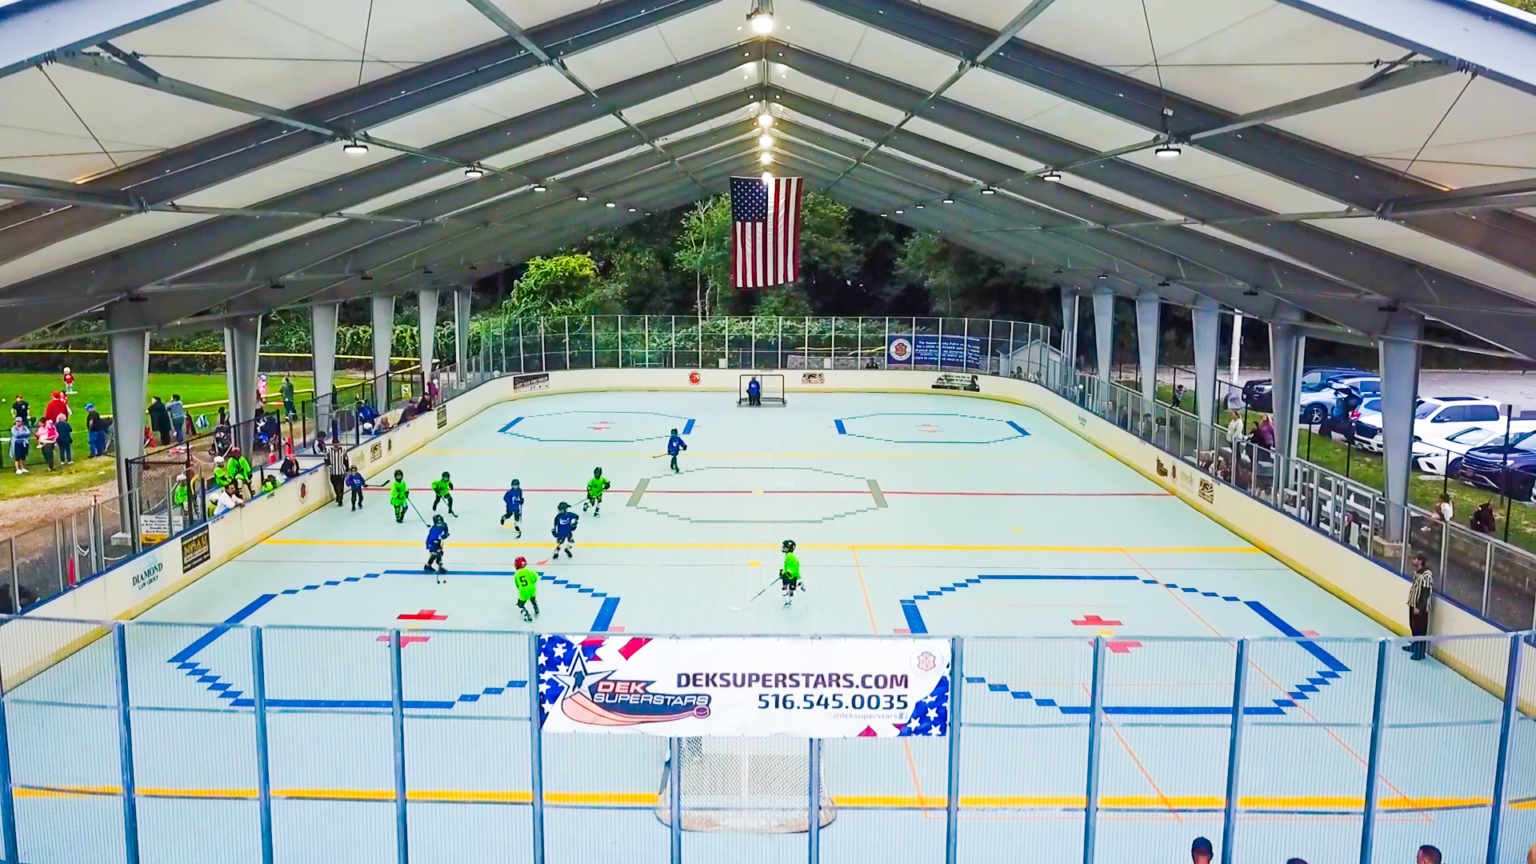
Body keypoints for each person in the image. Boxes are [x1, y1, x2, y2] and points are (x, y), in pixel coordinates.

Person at [1407, 554, 1433, 661]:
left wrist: (1419, 607)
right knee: (1413, 626)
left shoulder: (1427, 575)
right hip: (1413, 604)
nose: (1413, 561)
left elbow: (1425, 593)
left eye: (1415, 559)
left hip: (1420, 608)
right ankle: (1415, 645)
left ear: (1420, 561)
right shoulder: (1418, 573)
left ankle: (1420, 651)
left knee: (1420, 629)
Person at [514, 556, 540, 622]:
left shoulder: (517, 574)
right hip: (532, 588)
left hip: (524, 591)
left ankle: (526, 615)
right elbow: (536, 577)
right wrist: (532, 583)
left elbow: (517, 584)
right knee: (532, 598)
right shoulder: (529, 571)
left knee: (520, 605)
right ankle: (536, 608)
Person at [780, 539, 802, 608]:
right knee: (784, 590)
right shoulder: (787, 555)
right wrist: (783, 572)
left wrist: (790, 573)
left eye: (785, 547)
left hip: (791, 576)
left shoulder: (790, 556)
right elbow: (787, 565)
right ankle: (788, 602)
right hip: (786, 576)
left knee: (792, 593)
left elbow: (795, 565)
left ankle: (800, 586)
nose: (783, 548)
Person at [326, 439, 348, 507]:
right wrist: (329, 464)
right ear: (332, 444)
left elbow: (346, 459)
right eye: (334, 443)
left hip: (341, 471)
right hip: (333, 471)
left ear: (339, 443)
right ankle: (338, 496)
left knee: (340, 485)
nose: (336, 444)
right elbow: (326, 458)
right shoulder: (329, 450)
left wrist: (347, 469)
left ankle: (340, 498)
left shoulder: (343, 450)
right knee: (334, 484)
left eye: (337, 443)